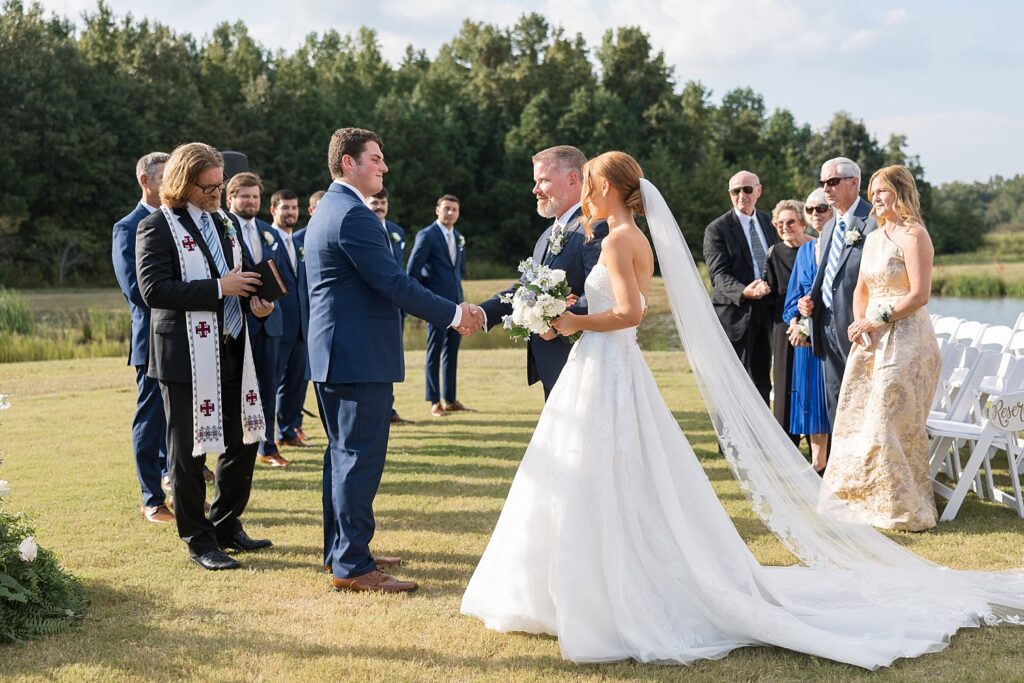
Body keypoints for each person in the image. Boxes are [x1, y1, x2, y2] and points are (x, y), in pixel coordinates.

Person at [461, 151, 1024, 669]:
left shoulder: (616, 240)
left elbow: (631, 314)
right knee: (605, 468)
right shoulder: (630, 236)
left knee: (599, 468)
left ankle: (591, 589)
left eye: (587, 184)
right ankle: (584, 581)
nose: (583, 192)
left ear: (605, 186)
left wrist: (575, 321)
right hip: (606, 368)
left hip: (605, 360)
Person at [306, 127, 482, 593]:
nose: (384, 167)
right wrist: (452, 313)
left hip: (337, 353)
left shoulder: (330, 209)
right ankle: (353, 566)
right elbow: (394, 283)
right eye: (376, 158)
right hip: (356, 355)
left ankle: (341, 550)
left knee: (342, 457)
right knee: (359, 459)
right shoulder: (353, 215)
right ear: (349, 162)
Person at [136, 142, 275, 570]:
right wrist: (219, 288)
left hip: (233, 345)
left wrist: (257, 300)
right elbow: (153, 291)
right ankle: (199, 540)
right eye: (209, 186)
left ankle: (227, 523)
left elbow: (244, 273)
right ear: (184, 182)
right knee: (188, 452)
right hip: (184, 355)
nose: (217, 193)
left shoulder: (226, 224)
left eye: (220, 185)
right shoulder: (157, 227)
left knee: (242, 441)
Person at [821, 166, 941, 531]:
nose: (875, 198)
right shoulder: (873, 237)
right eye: (872, 191)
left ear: (901, 193)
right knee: (858, 418)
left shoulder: (913, 235)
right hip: (870, 340)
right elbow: (861, 289)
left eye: (882, 191)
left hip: (906, 340)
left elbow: (919, 295)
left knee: (890, 420)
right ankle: (859, 500)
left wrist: (877, 320)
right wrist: (859, 324)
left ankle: (902, 507)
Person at [477, 145, 608, 399]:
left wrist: (554, 323)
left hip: (580, 363)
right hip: (551, 366)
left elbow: (602, 296)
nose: (535, 190)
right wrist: (484, 313)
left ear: (572, 179)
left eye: (543, 180)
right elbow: (524, 290)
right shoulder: (547, 235)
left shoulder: (595, 228)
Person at [112, 151, 172, 524]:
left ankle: (182, 486)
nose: (171, 182)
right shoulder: (128, 227)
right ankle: (151, 497)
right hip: (150, 338)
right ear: (145, 181)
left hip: (185, 338)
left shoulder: (180, 223)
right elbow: (137, 290)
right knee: (151, 419)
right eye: (164, 176)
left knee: (181, 420)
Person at [799, 157, 876, 425]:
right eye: (823, 183)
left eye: (832, 182)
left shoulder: (873, 222)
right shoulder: (831, 225)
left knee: (863, 401)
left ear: (854, 182)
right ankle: (839, 463)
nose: (826, 189)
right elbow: (826, 276)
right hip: (826, 324)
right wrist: (810, 303)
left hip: (858, 326)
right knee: (836, 401)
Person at [227, 172, 289, 468]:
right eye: (245, 196)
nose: (251, 201)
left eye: (255, 196)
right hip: (236, 322)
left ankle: (268, 445)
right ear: (231, 199)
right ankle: (236, 447)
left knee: (269, 386)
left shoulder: (269, 232)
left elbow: (282, 277)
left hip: (269, 322)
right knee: (235, 389)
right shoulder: (222, 229)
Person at [702, 170, 776, 404]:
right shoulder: (717, 229)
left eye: (747, 189)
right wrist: (746, 291)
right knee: (733, 385)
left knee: (763, 381)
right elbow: (718, 275)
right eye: (736, 191)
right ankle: (731, 442)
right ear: (730, 194)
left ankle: (762, 439)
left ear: (758, 191)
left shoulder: (770, 222)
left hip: (768, 313)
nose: (741, 195)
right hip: (735, 315)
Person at [781, 189, 832, 472]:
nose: (815, 214)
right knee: (810, 398)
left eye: (821, 208)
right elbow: (790, 301)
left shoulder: (845, 245)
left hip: (833, 335)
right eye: (810, 210)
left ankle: (835, 461)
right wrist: (797, 319)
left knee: (831, 397)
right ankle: (817, 461)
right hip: (807, 338)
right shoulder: (803, 252)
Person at [407, 195, 471, 417]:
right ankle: (434, 401)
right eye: (446, 209)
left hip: (457, 304)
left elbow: (459, 271)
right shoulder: (427, 235)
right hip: (435, 305)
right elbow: (413, 271)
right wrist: (427, 296)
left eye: (454, 209)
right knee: (434, 352)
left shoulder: (459, 237)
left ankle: (451, 399)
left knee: (451, 351)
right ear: (437, 210)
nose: (450, 213)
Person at [763, 200, 812, 445]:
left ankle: (819, 446)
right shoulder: (774, 252)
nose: (785, 227)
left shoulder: (816, 247)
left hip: (814, 320)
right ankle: (786, 445)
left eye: (790, 222)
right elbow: (771, 293)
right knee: (783, 383)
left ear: (803, 223)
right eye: (780, 223)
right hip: (783, 324)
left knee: (811, 383)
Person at [367, 188, 413, 425]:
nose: (379, 206)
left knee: (392, 359)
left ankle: (390, 408)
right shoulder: (363, 229)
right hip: (371, 310)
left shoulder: (396, 232)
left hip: (396, 307)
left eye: (383, 202)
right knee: (375, 359)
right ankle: (378, 410)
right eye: (374, 202)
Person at [268, 189, 309, 450]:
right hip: (276, 326)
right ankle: (265, 441)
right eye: (285, 207)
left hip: (301, 327)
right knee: (270, 386)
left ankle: (289, 430)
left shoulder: (300, 242)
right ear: (273, 210)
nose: (291, 212)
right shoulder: (267, 239)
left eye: (294, 207)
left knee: (296, 384)